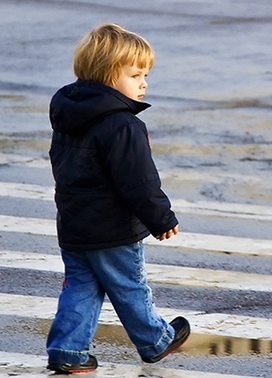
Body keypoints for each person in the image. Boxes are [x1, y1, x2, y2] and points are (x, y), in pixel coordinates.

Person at [45, 23, 190, 374]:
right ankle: (155, 340)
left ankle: (67, 350)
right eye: (135, 74)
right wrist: (161, 218)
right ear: (109, 76)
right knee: (129, 285)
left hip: (74, 223)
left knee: (81, 286)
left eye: (145, 75)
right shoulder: (123, 125)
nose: (144, 83)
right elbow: (138, 181)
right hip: (113, 228)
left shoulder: (68, 115)